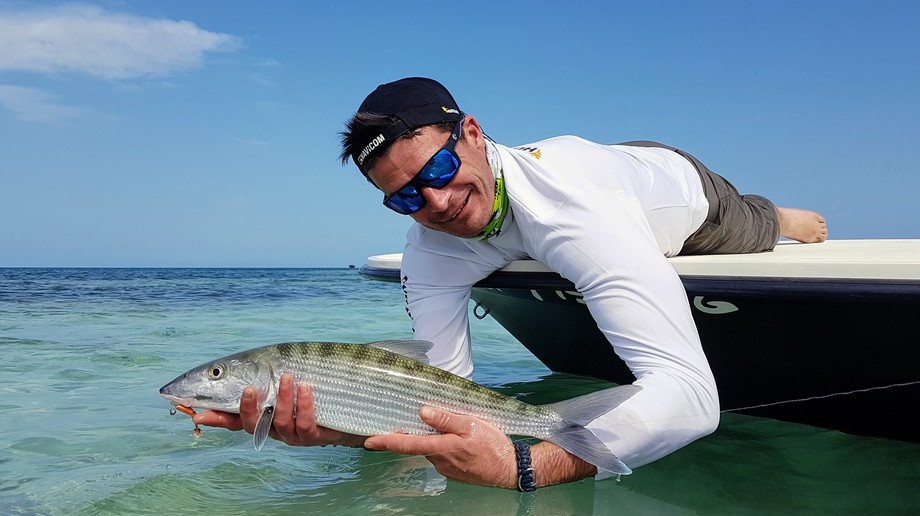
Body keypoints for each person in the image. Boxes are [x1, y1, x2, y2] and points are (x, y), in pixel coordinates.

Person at [196, 77, 827, 490]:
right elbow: (443, 395)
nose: (437, 200)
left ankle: (779, 214)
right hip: (593, 185)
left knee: (752, 225)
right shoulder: (430, 246)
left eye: (440, 167)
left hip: (682, 192)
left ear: (471, 131)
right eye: (406, 195)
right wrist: (341, 426)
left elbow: (691, 398)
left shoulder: (575, 209)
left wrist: (526, 465)